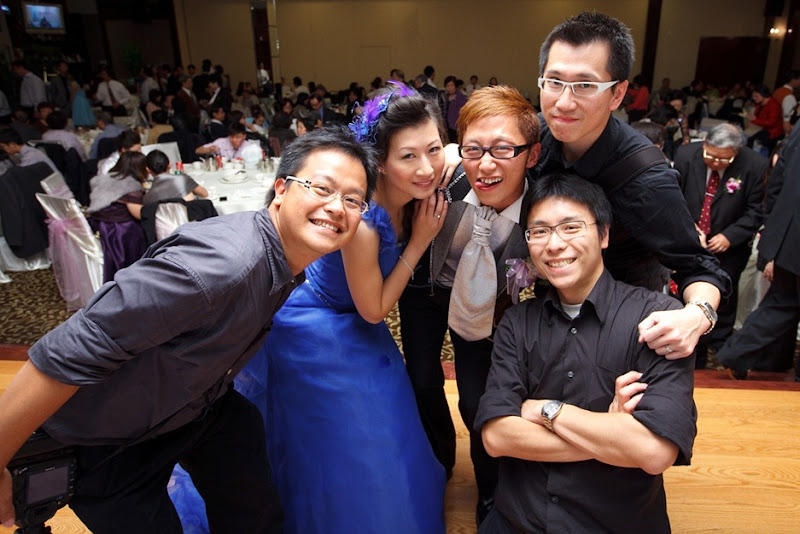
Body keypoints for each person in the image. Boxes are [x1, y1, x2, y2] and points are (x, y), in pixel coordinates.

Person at [0, 126, 377, 534]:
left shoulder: (285, 259)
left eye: (352, 199)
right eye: (322, 188)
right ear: (281, 189)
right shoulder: (219, 267)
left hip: (195, 404)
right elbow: (65, 352)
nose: (336, 207)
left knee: (244, 448)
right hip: (109, 439)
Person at [241, 84, 448, 534]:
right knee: (348, 439)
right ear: (380, 162)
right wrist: (419, 242)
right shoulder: (365, 221)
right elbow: (374, 310)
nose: (427, 167)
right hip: (318, 326)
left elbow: (446, 156)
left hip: (355, 317)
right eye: (408, 156)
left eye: (433, 149)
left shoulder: (421, 178)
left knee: (389, 425)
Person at [475, 172, 697, 533]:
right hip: (518, 522)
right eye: (539, 231)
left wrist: (545, 410)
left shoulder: (658, 319)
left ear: (604, 234)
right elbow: (497, 437)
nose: (554, 244)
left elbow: (654, 452)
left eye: (570, 227)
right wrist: (613, 435)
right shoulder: (517, 323)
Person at [535, 11, 728, 361]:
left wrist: (697, 315)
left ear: (617, 94)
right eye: (554, 81)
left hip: (623, 321)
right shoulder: (536, 137)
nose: (563, 102)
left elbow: (699, 267)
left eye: (585, 85)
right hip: (549, 310)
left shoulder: (646, 179)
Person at [399, 85, 541, 525]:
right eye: (474, 149)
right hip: (425, 290)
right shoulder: (445, 179)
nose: (486, 164)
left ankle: (490, 492)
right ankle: (439, 462)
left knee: (477, 401)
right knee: (421, 380)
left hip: (486, 302)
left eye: (503, 149)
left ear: (532, 155)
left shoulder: (539, 212)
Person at [674, 123, 766, 368]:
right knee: (686, 294)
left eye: (723, 159)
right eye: (710, 156)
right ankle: (691, 352)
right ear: (704, 144)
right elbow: (673, 197)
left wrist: (730, 236)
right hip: (689, 241)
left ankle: (720, 352)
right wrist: (690, 228)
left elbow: (756, 210)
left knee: (725, 298)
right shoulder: (685, 155)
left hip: (729, 248)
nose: (715, 163)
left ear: (737, 152)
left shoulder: (754, 165)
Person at [716, 121, 800, 380]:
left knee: (781, 303)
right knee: (782, 303)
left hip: (788, 234)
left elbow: (776, 183)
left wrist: (775, 232)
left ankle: (738, 355)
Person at [87, 151, 149, 281]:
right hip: (117, 229)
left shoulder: (104, 178)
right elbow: (138, 214)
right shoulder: (130, 185)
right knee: (145, 227)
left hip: (97, 223)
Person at [143, 149, 208, 204]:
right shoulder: (182, 179)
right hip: (191, 214)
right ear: (169, 165)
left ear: (148, 170)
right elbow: (204, 194)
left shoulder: (148, 198)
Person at [444, 75, 467, 143]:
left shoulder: (461, 97)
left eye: (452, 85)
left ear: (455, 86)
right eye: (447, 86)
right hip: (448, 126)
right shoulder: (447, 96)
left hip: (457, 127)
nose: (449, 88)